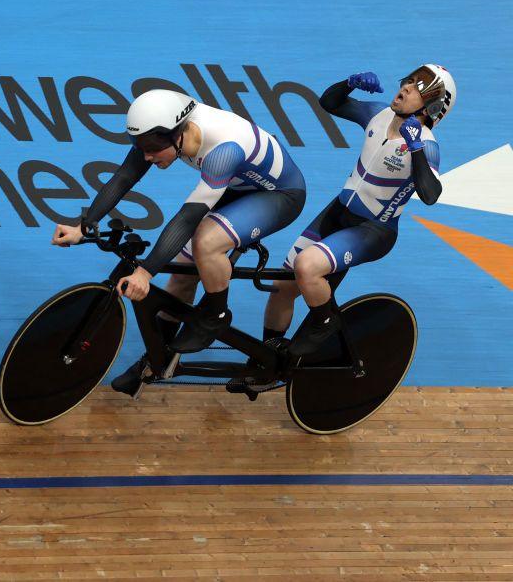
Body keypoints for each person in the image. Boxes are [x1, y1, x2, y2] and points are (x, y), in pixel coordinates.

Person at [51, 89, 307, 395]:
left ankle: (216, 314)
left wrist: (145, 273)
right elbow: (124, 176)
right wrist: (84, 225)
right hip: (240, 185)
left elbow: (186, 219)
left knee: (205, 243)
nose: (146, 155)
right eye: (141, 146)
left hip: (277, 195)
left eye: (152, 149)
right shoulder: (164, 130)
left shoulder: (223, 149)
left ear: (178, 135)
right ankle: (156, 360)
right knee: (182, 274)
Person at [261, 65, 452, 357]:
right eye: (409, 80)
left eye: (417, 88)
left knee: (307, 267)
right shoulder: (379, 113)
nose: (406, 87)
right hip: (337, 213)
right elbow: (330, 102)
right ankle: (266, 359)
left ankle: (325, 323)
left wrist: (414, 148)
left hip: (372, 230)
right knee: (282, 287)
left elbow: (430, 195)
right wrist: (349, 83)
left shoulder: (426, 145)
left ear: (432, 106)